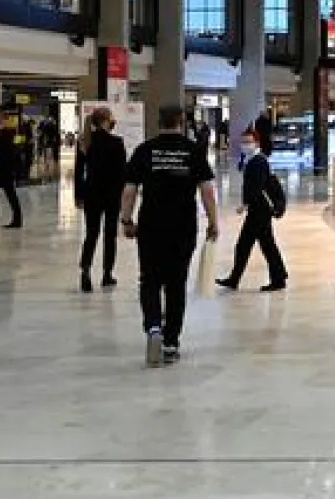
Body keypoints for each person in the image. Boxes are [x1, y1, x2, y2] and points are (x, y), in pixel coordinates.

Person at [120, 106, 218, 366]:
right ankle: (171, 342)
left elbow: (129, 190)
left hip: (151, 224)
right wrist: (213, 222)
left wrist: (126, 220)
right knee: (176, 284)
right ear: (181, 122)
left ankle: (153, 326)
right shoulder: (193, 150)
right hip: (182, 226)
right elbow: (207, 191)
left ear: (158, 122)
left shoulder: (145, 150)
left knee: (150, 280)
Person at [216, 130, 288, 293]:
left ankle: (238, 279)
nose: (245, 145)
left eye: (248, 142)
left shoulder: (258, 161)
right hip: (259, 209)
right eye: (243, 142)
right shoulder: (253, 159)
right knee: (263, 244)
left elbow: (257, 186)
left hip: (260, 209)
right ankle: (277, 277)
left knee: (247, 245)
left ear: (256, 143)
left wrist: (245, 204)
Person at [74, 107, 127, 293]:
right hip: (111, 195)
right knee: (109, 235)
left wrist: (78, 196)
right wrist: (124, 197)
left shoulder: (85, 143)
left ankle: (86, 270)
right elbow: (122, 175)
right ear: (106, 120)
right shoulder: (116, 142)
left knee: (91, 234)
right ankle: (107, 274)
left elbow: (79, 173)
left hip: (91, 194)